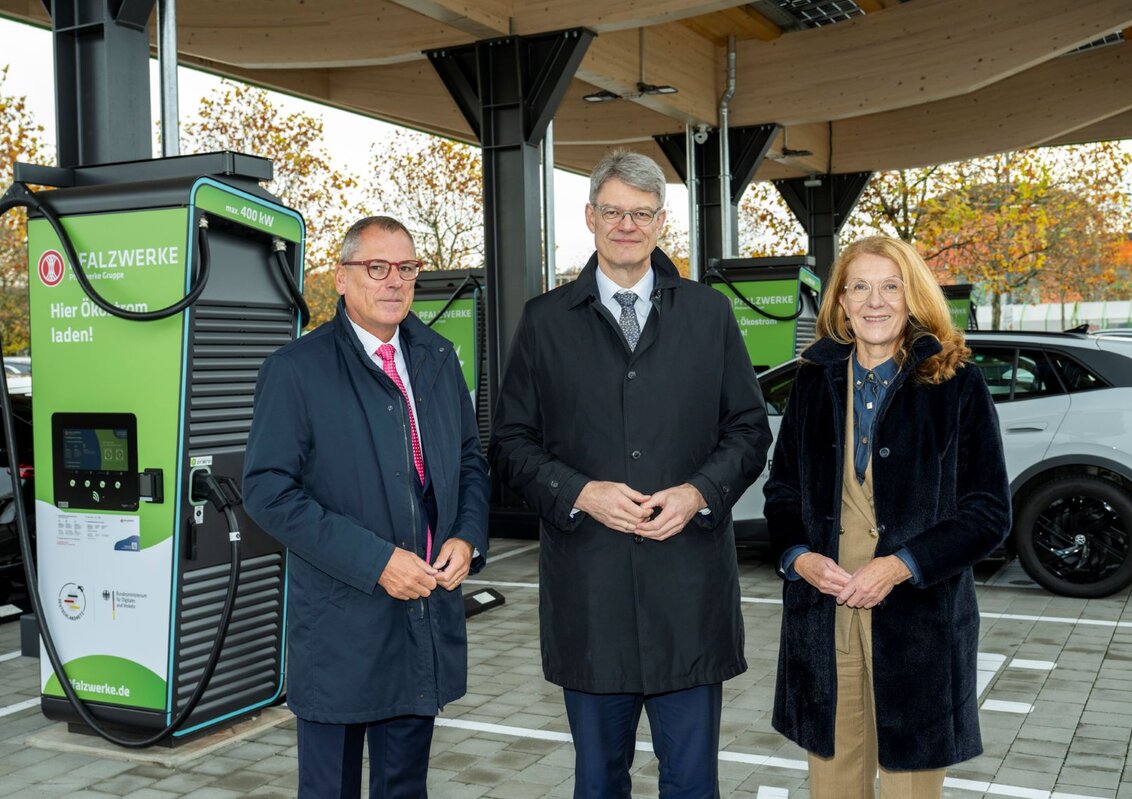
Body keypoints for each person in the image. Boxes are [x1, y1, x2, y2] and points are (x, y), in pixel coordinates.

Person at [490, 149, 772, 798]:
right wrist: (580, 491)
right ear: (590, 216)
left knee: (694, 783)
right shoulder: (544, 322)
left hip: (688, 594)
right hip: (592, 598)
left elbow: (749, 429)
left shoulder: (709, 314)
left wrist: (699, 491)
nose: (626, 225)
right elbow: (509, 442)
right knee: (597, 784)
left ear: (660, 221)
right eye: (613, 211)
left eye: (641, 213)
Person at [242, 216, 490, 798]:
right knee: (331, 788)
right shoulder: (297, 370)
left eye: (406, 268)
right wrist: (378, 561)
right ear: (342, 278)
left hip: (422, 614)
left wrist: (467, 536)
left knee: (404, 785)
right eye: (376, 267)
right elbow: (268, 492)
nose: (393, 282)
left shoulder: (436, 358)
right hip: (343, 623)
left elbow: (471, 461)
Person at [764, 236, 1011, 797]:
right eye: (860, 288)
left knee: (911, 789)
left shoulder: (956, 383)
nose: (875, 302)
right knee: (834, 786)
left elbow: (989, 513)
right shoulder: (812, 380)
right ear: (841, 304)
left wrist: (898, 566)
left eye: (890, 286)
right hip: (824, 614)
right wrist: (799, 556)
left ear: (912, 296)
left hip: (919, 616)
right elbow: (781, 492)